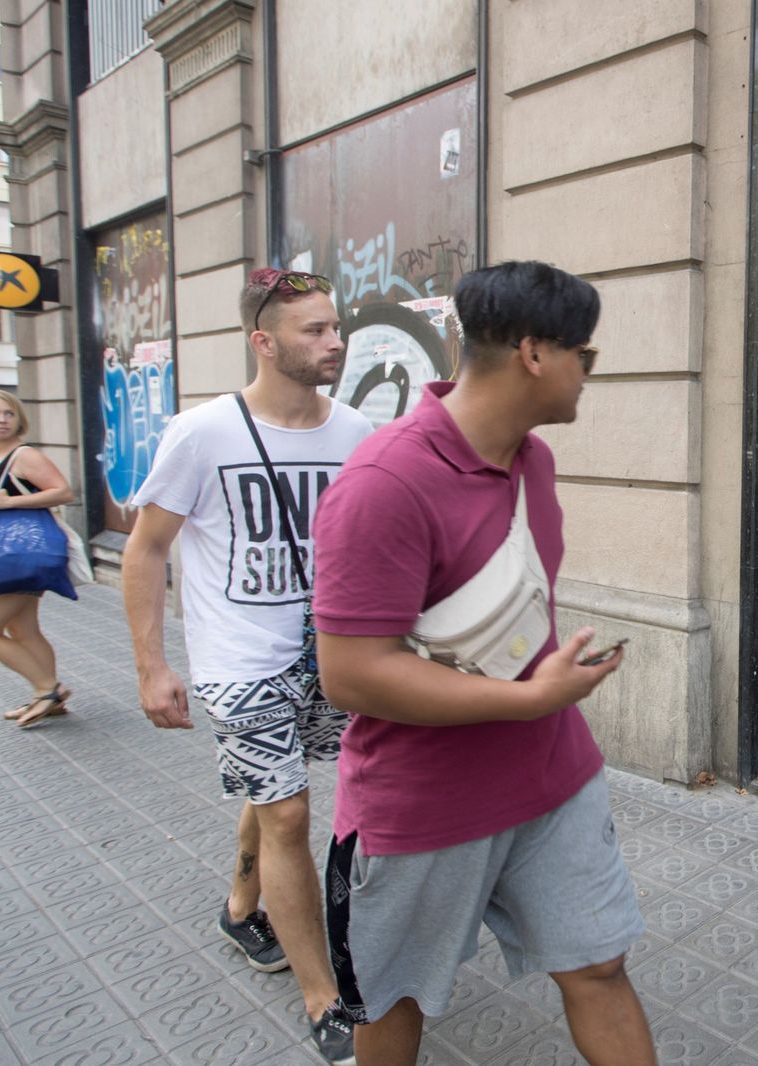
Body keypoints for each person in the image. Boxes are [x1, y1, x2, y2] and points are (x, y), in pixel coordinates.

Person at [312, 260, 654, 1066]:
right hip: (424, 804)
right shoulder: (384, 483)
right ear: (534, 354)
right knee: (393, 999)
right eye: (586, 357)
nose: (587, 376)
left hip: (552, 783)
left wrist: (544, 698)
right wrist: (531, 700)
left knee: (600, 965)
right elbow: (352, 673)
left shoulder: (531, 460)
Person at [121, 268, 371, 1065]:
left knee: (278, 792)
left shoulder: (358, 430)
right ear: (263, 341)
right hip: (239, 662)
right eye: (313, 330)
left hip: (327, 654)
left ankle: (239, 907)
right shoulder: (202, 433)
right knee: (292, 814)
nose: (333, 342)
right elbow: (146, 549)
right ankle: (322, 995)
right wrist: (152, 666)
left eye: (335, 327)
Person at [0, 389, 77, 727]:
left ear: (19, 420)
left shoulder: (23, 455)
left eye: (8, 414)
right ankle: (46, 697)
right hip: (7, 552)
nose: (1, 420)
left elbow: (64, 491)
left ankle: (48, 689)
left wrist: (8, 502)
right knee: (23, 630)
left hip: (19, 554)